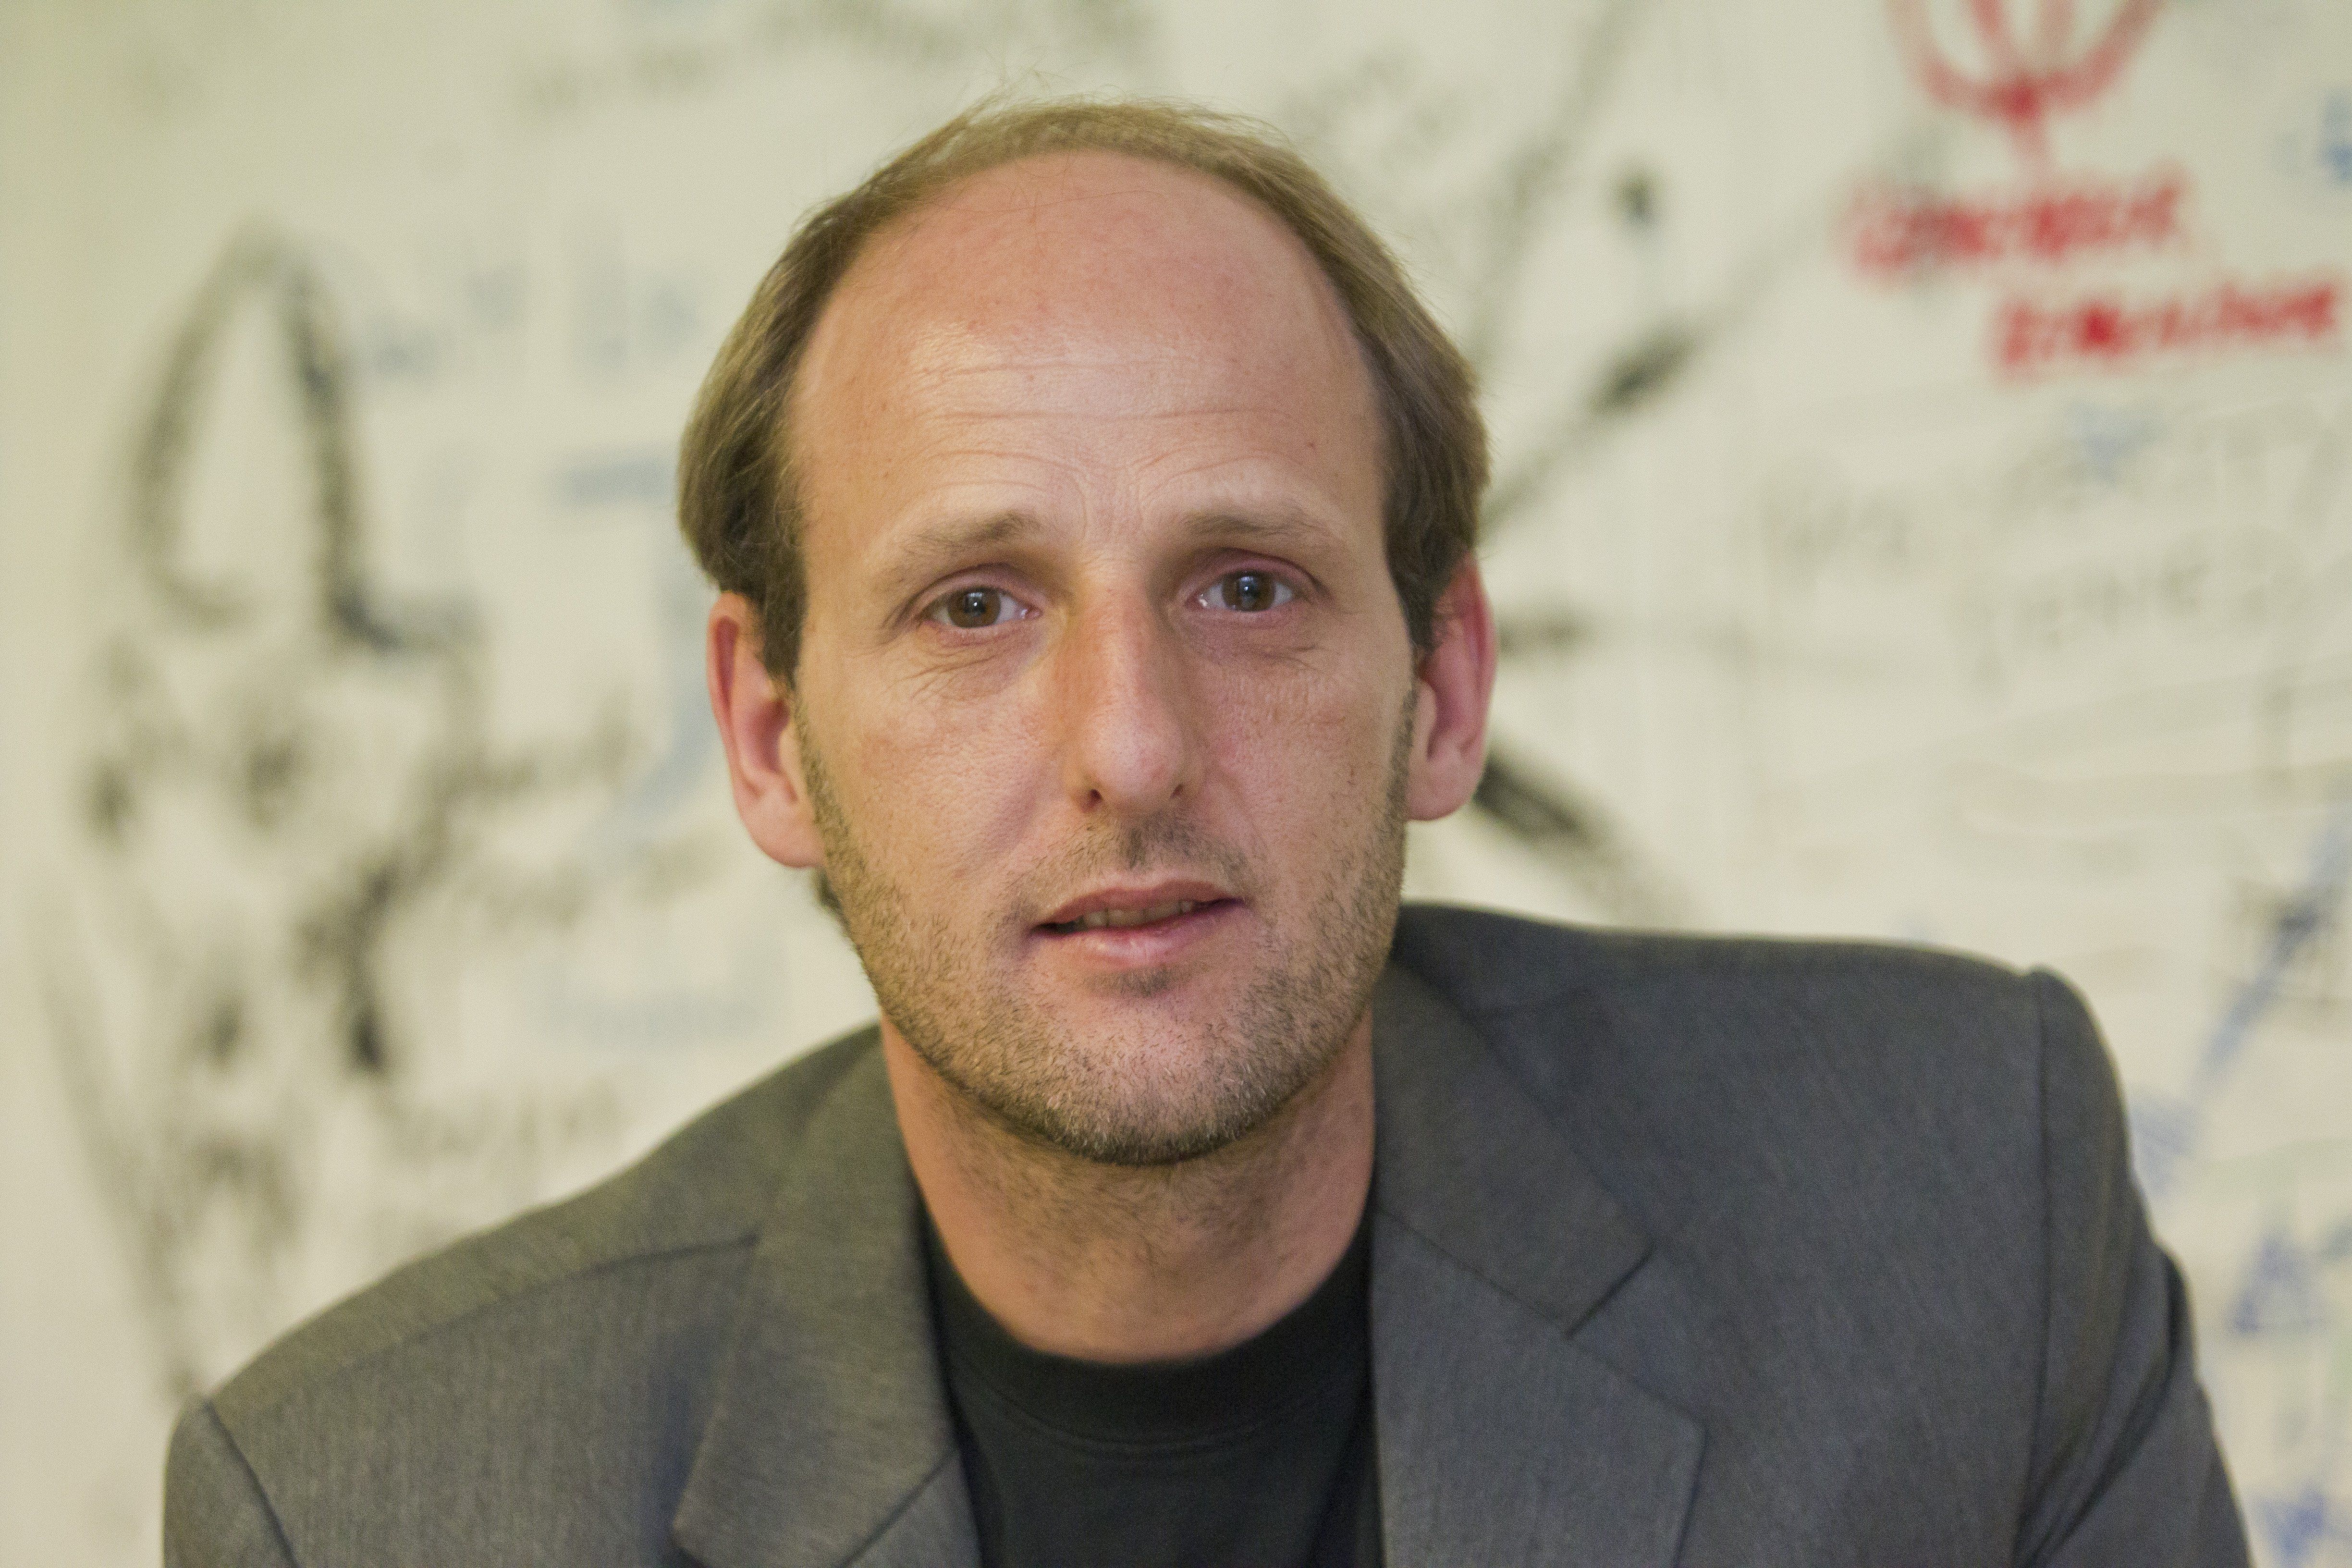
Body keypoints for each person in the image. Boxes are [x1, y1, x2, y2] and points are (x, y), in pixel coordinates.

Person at [162, 97, 2249, 1568]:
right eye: (974, 606)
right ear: (773, 736)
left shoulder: (1965, 1212)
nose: (1133, 746)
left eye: (1247, 585)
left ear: (1443, 686)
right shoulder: (365, 1509)